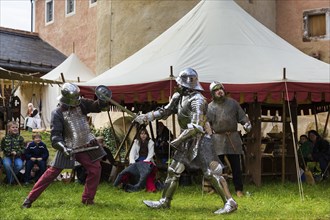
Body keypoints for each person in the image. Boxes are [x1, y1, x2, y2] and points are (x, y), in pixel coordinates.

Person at [134, 68, 237, 214]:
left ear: (188, 84)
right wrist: (146, 117)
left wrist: (177, 140)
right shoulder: (178, 96)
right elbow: (165, 111)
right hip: (185, 141)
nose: (178, 85)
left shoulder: (198, 100)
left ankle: (230, 202)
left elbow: (197, 126)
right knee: (173, 170)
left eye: (181, 83)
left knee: (211, 173)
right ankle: (165, 201)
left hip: (201, 141)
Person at [22, 83, 111, 208]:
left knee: (95, 169)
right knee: (51, 173)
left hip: (86, 143)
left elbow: (97, 107)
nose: (76, 101)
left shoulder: (82, 103)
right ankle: (29, 199)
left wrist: (102, 100)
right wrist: (63, 148)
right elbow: (55, 136)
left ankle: (87, 199)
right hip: (68, 146)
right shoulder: (57, 113)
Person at [206, 81, 251, 198]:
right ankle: (216, 188)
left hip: (233, 137)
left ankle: (239, 189)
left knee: (236, 165)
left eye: (220, 89)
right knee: (216, 167)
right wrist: (208, 134)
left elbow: (242, 117)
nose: (219, 91)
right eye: (216, 90)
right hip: (217, 139)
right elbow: (206, 123)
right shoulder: (210, 107)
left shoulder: (233, 103)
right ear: (212, 93)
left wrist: (246, 124)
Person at [114, 128, 157, 192]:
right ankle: (121, 184)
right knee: (127, 171)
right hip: (137, 161)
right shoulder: (136, 142)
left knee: (147, 172)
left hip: (148, 162)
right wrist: (132, 162)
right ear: (139, 135)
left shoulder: (151, 142)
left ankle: (150, 188)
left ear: (147, 135)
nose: (143, 135)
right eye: (142, 134)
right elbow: (132, 153)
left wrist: (146, 161)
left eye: (145, 134)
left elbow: (150, 154)